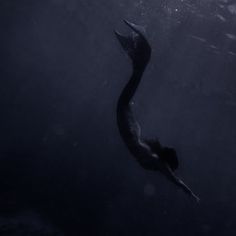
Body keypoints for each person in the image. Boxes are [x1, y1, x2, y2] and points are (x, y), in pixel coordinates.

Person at [115, 20, 199, 202]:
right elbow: (173, 178)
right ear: (167, 163)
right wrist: (189, 192)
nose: (167, 172)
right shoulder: (158, 163)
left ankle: (136, 53)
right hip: (126, 126)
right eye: (169, 168)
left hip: (128, 126)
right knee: (131, 86)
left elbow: (171, 176)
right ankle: (139, 54)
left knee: (130, 89)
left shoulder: (152, 158)